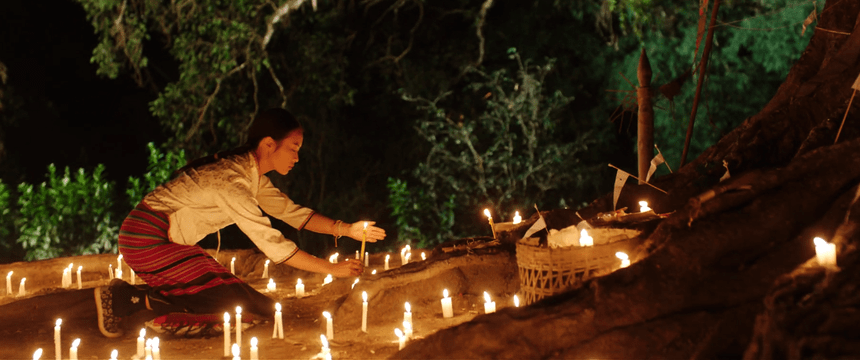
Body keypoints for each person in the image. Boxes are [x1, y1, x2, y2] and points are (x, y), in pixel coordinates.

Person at [95, 108, 386, 338]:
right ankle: (131, 301)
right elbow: (272, 244)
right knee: (235, 310)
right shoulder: (232, 181)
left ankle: (140, 298)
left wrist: (345, 229)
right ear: (269, 144)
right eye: (293, 148)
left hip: (167, 242)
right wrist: (332, 269)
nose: (297, 157)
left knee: (262, 306)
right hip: (145, 238)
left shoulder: (252, 178)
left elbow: (293, 213)